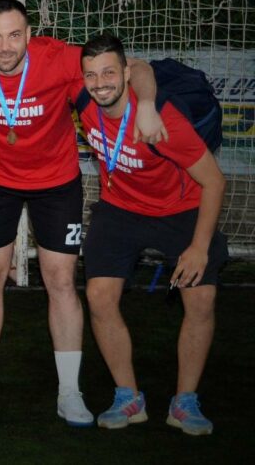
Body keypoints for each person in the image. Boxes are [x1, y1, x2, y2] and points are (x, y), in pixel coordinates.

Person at [0, 0, 164, 426]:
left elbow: (137, 68)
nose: (5, 47)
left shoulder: (56, 57)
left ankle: (70, 392)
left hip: (56, 182)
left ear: (29, 34)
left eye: (15, 35)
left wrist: (146, 104)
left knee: (61, 281)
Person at [78, 34, 228, 436]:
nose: (100, 83)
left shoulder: (164, 121)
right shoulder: (84, 100)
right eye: (91, 75)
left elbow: (215, 182)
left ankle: (185, 401)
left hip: (181, 209)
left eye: (109, 73)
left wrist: (199, 247)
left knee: (201, 298)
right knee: (98, 296)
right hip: (121, 207)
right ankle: (128, 396)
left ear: (126, 73)